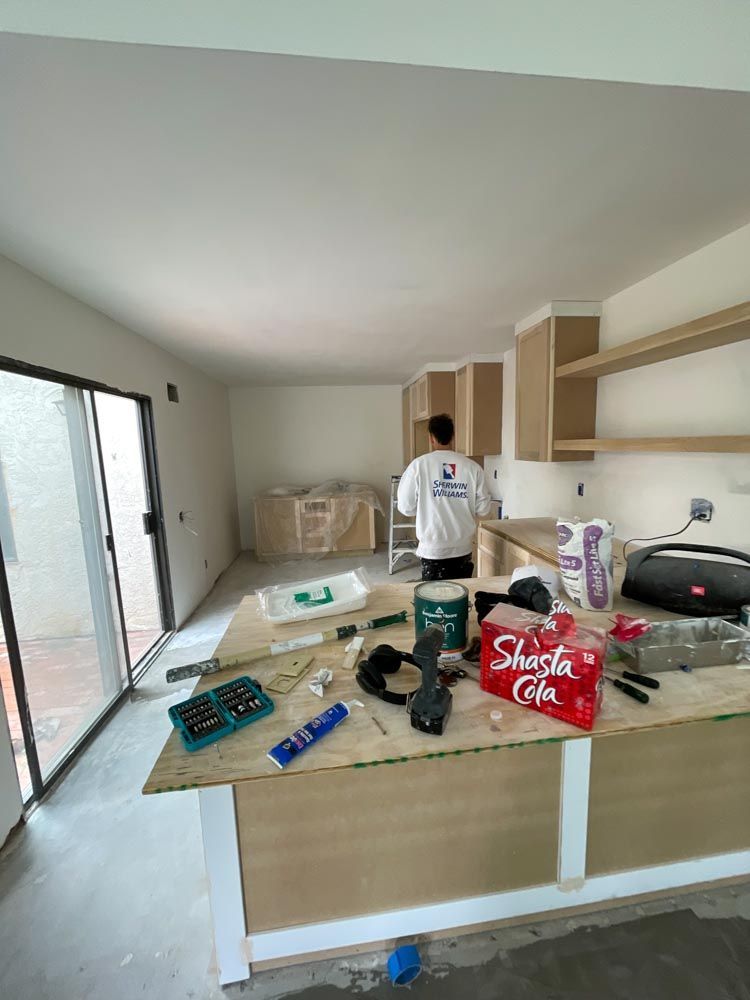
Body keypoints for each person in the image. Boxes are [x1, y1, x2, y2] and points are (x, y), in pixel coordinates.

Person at [397, 412, 493, 580]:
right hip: (462, 549)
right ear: (453, 436)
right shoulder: (472, 468)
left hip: (432, 550)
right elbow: (484, 509)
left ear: (431, 438)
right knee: (460, 600)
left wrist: (425, 506)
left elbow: (405, 507)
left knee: (433, 601)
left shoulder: (418, 466)